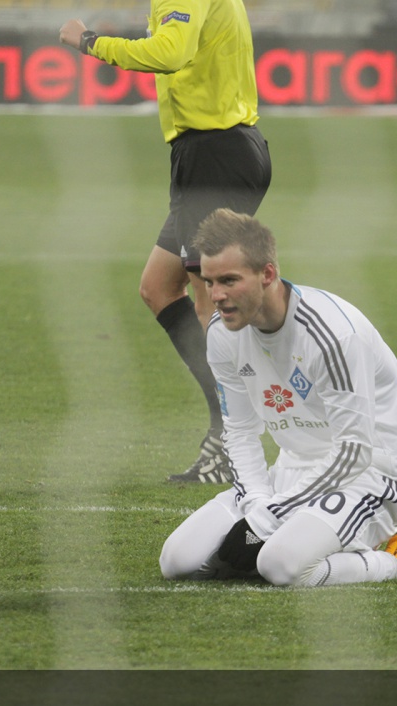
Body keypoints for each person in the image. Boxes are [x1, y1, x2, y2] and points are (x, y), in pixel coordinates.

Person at [59, 1, 272, 483]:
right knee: (158, 287)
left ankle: (235, 437)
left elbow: (170, 53)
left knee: (211, 298)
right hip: (214, 152)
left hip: (215, 155)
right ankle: (232, 424)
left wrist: (90, 42)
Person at [159, 209, 397, 586]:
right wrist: (256, 504)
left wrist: (264, 522)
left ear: (267, 274)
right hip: (291, 472)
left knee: (280, 566)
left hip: (371, 475)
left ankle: (395, 561)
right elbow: (239, 429)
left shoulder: (333, 335)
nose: (216, 296)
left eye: (229, 280)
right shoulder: (222, 334)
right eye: (209, 281)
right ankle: (296, 535)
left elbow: (354, 450)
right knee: (177, 561)